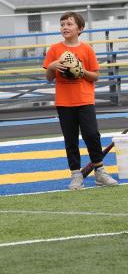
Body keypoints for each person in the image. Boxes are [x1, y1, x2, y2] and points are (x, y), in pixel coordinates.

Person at [43, 11, 118, 190]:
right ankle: (76, 175)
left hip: (84, 100)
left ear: (80, 28)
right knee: (71, 139)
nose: (65, 27)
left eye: (69, 24)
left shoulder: (86, 49)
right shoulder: (54, 49)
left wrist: (81, 71)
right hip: (64, 102)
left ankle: (99, 171)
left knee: (92, 134)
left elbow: (95, 76)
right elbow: (48, 78)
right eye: (62, 24)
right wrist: (52, 67)